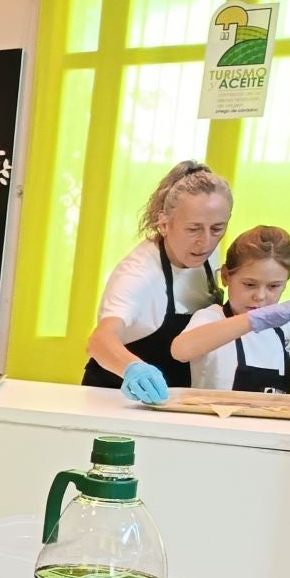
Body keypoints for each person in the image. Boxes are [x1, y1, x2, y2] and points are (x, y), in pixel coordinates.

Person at [82, 160, 233, 401]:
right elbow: (99, 340)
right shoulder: (138, 274)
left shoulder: (206, 253)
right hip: (117, 398)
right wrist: (133, 369)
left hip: (174, 398)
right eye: (194, 229)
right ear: (164, 224)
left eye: (217, 229)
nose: (205, 242)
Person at [168, 226, 290, 392]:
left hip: (272, 430)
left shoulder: (288, 327)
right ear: (226, 276)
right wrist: (256, 320)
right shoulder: (212, 317)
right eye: (249, 284)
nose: (260, 296)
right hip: (220, 431)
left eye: (273, 286)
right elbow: (181, 350)